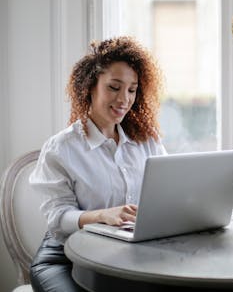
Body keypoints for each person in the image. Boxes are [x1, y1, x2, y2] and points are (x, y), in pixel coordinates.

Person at [29, 36, 167, 292]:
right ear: (90, 86)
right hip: (65, 256)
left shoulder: (146, 141)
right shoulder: (62, 148)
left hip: (127, 255)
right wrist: (102, 215)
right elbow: (58, 218)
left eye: (132, 89)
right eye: (114, 87)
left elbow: (167, 192)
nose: (124, 99)